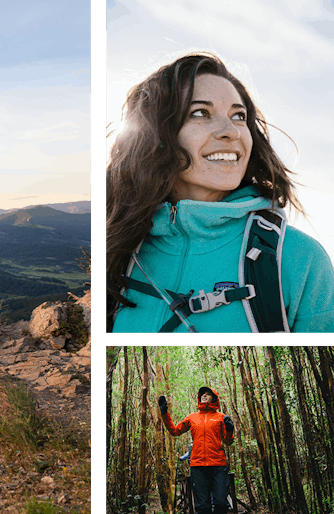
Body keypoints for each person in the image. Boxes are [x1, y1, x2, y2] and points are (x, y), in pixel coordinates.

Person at [106, 52, 334, 333]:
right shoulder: (118, 247)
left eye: (239, 116)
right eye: (200, 113)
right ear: (155, 137)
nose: (232, 131)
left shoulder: (299, 259)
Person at [159, 387, 234, 514]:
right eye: (202, 394)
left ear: (214, 398)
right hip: (198, 466)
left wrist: (230, 430)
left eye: (208, 394)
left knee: (221, 503)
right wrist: (164, 413)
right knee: (202, 506)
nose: (204, 396)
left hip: (218, 465)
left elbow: (228, 442)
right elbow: (175, 431)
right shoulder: (192, 417)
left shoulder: (221, 417)